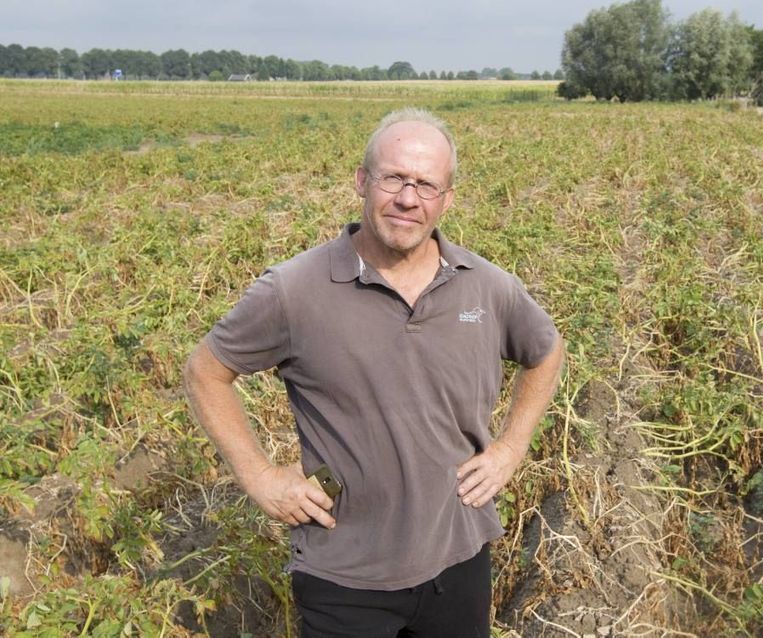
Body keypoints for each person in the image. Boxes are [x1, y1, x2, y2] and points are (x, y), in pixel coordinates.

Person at [182, 107, 564, 637]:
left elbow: (546, 352)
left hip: (459, 560)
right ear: (362, 181)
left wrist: (510, 447)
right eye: (394, 178)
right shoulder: (294, 290)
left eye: (426, 184)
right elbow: (206, 370)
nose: (408, 198)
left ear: (446, 199)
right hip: (344, 578)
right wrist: (259, 477)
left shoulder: (487, 287)